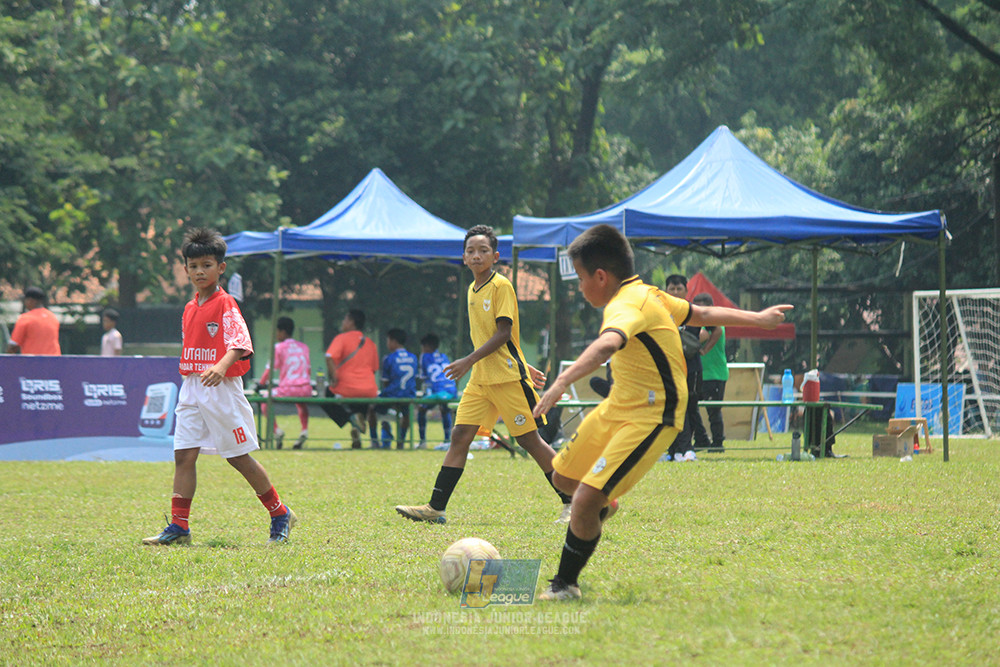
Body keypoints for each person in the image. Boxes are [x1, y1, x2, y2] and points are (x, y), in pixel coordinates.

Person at [532, 224, 791, 600]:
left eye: (582, 279)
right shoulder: (647, 294)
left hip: (654, 414)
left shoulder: (627, 305)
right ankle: (606, 501)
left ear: (601, 277)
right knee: (562, 479)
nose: (580, 288)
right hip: (619, 404)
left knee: (584, 500)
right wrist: (760, 318)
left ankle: (564, 585)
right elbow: (700, 312)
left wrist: (559, 383)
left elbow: (607, 346)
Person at [394, 225, 574, 524]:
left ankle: (573, 502)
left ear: (495, 256)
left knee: (530, 441)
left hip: (503, 378)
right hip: (481, 378)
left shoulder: (501, 286)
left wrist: (470, 360)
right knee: (460, 436)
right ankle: (436, 508)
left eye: (483, 251)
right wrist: (511, 362)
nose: (476, 256)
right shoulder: (471, 289)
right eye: (471, 251)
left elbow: (504, 333)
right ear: (463, 258)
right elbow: (497, 337)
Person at [142, 228, 296, 546]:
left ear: (220, 268)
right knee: (183, 455)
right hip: (192, 387)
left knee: (238, 457)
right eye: (194, 265)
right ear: (185, 269)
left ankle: (280, 513)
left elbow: (239, 342)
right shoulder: (189, 308)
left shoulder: (226, 304)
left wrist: (221, 365)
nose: (200, 271)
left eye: (207, 265)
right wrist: (200, 372)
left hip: (221, 388)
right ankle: (180, 527)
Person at [321, 309, 379, 449]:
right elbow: (375, 368)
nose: (343, 322)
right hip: (369, 390)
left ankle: (350, 419)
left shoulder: (341, 338)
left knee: (326, 397)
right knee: (360, 401)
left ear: (352, 322)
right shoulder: (370, 343)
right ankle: (357, 432)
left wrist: (334, 377)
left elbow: (329, 357)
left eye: (345, 319)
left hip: (346, 387)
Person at [664, 274, 707, 460]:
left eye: (678, 288)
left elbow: (714, 329)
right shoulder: (661, 312)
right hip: (670, 370)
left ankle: (687, 449)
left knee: (689, 407)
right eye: (671, 288)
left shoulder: (692, 311)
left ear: (686, 291)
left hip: (691, 369)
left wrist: (700, 346)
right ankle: (674, 450)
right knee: (672, 408)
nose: (675, 292)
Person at [258, 316, 312, 449]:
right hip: (306, 388)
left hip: (289, 388)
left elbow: (269, 369)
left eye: (276, 331)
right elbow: (308, 369)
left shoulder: (279, 347)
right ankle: (304, 430)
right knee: (301, 403)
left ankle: (277, 431)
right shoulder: (304, 347)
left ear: (282, 332)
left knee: (265, 399)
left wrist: (261, 383)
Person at [368, 328, 418, 449]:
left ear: (393, 341)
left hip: (392, 393)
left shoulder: (389, 358)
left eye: (388, 340)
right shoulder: (413, 357)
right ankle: (401, 441)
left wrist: (390, 394)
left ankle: (374, 440)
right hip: (408, 394)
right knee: (406, 415)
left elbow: (385, 382)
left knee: (371, 409)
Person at [694, 293, 728, 452]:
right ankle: (702, 439)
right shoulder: (703, 326)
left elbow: (699, 338)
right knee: (692, 408)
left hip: (714, 374)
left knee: (713, 411)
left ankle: (717, 443)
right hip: (701, 374)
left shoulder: (713, 325)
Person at [416, 333, 457, 448]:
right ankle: (447, 440)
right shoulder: (444, 356)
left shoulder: (424, 357)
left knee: (421, 408)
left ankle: (422, 441)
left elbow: (424, 378)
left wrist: (427, 393)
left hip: (439, 392)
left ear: (427, 346)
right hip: (451, 391)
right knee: (445, 409)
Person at [6, 286, 60, 355]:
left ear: (31, 301)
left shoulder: (26, 318)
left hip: (33, 362)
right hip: (54, 362)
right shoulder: (52, 317)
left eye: (25, 300)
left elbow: (13, 346)